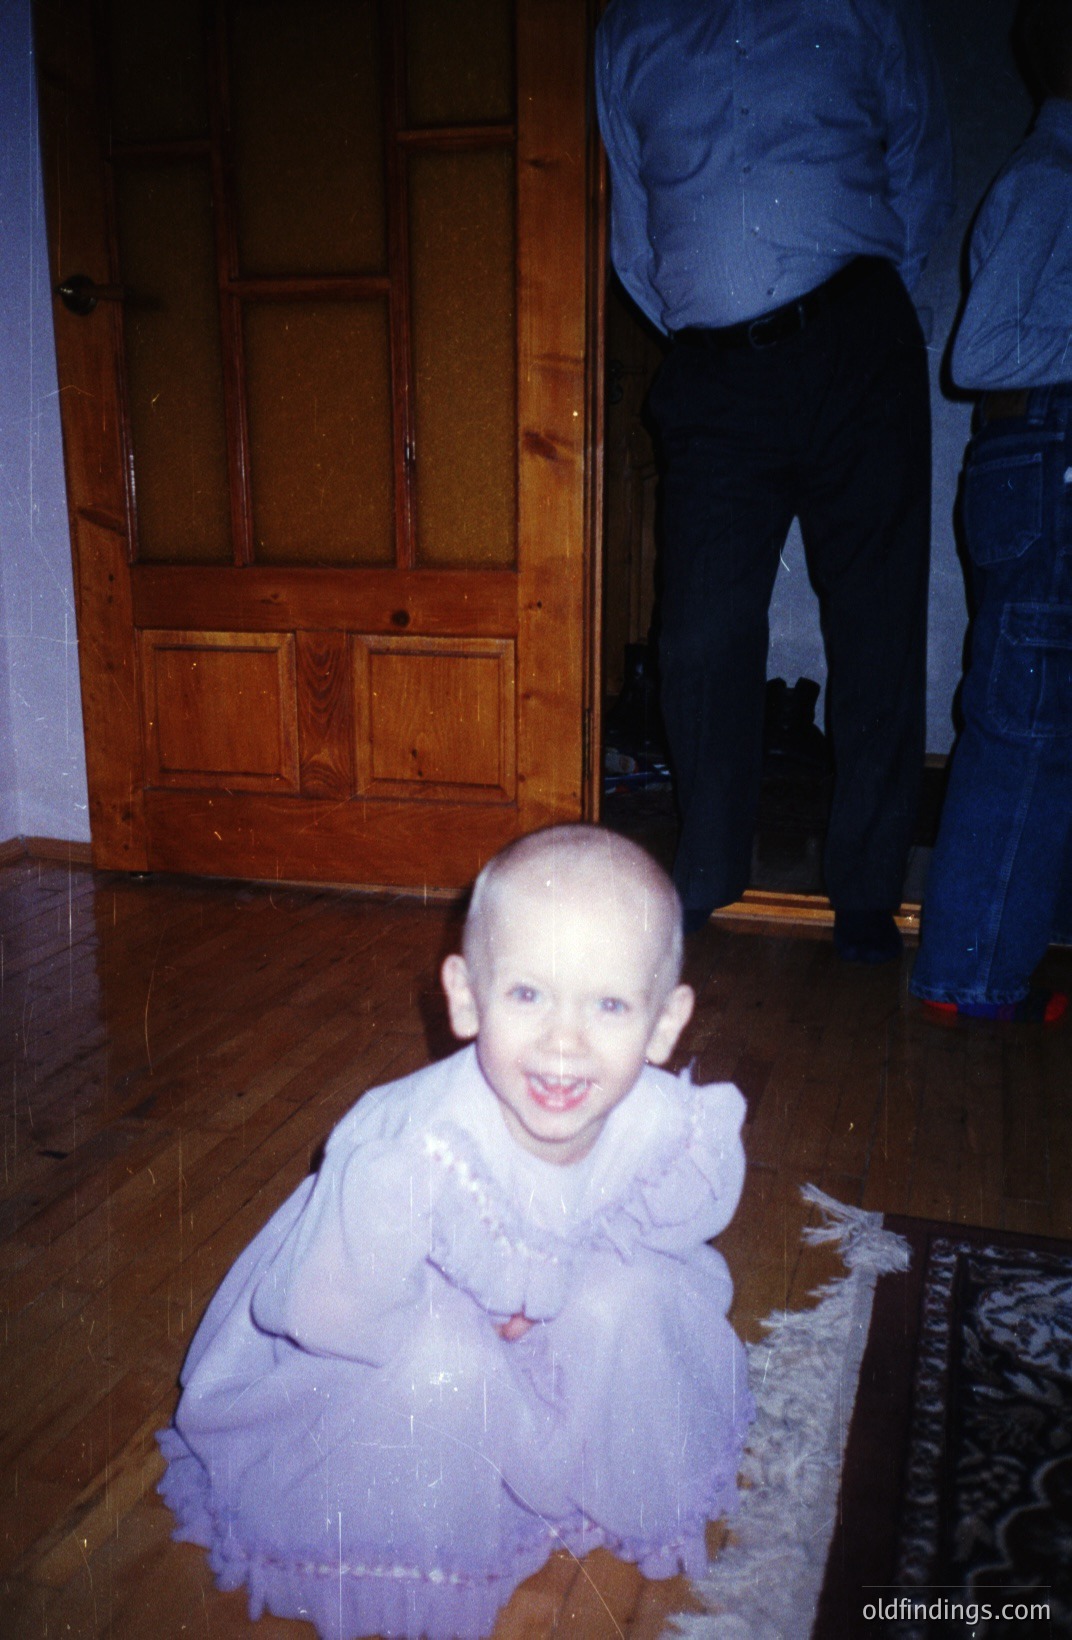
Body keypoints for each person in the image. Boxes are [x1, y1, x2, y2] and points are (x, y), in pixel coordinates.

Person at [156, 824, 754, 1639]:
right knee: (443, 1369)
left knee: (638, 1298)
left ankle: (600, 1461)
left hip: (553, 1269)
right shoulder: (408, 1150)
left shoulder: (664, 1121)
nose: (564, 1042)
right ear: (467, 997)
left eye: (609, 1005)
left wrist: (559, 1284)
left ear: (663, 1023)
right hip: (389, 1298)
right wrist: (482, 1307)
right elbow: (335, 1312)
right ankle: (446, 1511)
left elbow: (677, 1223)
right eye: (528, 995)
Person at [595, 0, 954, 960]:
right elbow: (635, 236)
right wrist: (717, 324)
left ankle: (868, 894)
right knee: (700, 631)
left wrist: (869, 314)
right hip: (713, 371)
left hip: (856, 342)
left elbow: (920, 160)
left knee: (876, 626)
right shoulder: (630, 32)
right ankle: (707, 871)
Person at [909, 0, 1072, 1024]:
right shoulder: (1050, 180)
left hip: (1042, 457)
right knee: (1025, 723)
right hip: (1048, 453)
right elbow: (978, 356)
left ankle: (989, 963)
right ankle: (965, 979)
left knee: (1033, 717)